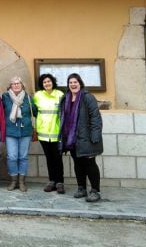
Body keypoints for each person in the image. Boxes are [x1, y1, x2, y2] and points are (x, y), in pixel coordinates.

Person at [59, 73, 104, 202]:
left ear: (80, 83)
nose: (73, 84)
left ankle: (95, 190)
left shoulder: (87, 97)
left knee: (90, 164)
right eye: (70, 82)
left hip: (87, 138)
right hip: (72, 138)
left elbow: (95, 117)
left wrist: (95, 136)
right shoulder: (65, 98)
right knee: (78, 164)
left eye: (75, 82)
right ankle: (81, 188)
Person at [33, 73, 65, 193]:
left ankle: (60, 182)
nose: (47, 84)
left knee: (58, 158)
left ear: (53, 82)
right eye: (44, 82)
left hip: (57, 133)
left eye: (49, 81)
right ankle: (52, 181)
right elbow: (35, 111)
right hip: (43, 133)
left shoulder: (60, 95)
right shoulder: (37, 96)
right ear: (42, 84)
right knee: (49, 158)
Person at [1, 76, 33, 192]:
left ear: (22, 85)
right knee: (12, 157)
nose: (16, 85)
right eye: (13, 84)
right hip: (11, 131)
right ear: (10, 86)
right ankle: (13, 181)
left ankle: (21, 181)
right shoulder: (5, 97)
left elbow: (34, 111)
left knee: (23, 157)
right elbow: (0, 111)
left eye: (18, 83)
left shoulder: (28, 97)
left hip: (25, 131)